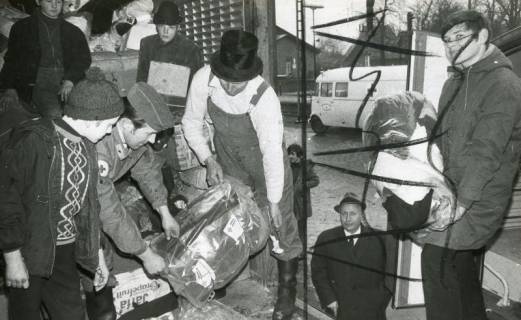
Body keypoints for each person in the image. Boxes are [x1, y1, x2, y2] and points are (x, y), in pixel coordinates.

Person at [182, 30, 302, 320]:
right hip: (229, 160)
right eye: (227, 81)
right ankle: (221, 278)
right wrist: (208, 159)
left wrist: (273, 200)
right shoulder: (204, 79)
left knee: (280, 225)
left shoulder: (265, 97)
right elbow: (190, 121)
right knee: (228, 220)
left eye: (238, 83)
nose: (231, 88)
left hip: (267, 165)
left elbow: (273, 152)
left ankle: (287, 290)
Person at [0, 67, 123, 320]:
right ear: (93, 118)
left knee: (72, 315)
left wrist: (96, 256)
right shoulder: (35, 141)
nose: (110, 132)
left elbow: (89, 208)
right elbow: (6, 200)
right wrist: (12, 257)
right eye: (109, 125)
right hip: (29, 250)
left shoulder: (86, 146)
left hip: (64, 252)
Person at [421, 10, 521, 320]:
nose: (451, 46)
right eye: (447, 41)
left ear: (482, 37)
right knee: (460, 264)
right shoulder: (454, 81)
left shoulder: (504, 84)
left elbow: (486, 151)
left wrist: (461, 204)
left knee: (436, 257)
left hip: (482, 193)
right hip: (455, 186)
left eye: (460, 38)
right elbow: (444, 138)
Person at [85, 82, 180, 320]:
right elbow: (108, 212)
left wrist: (165, 212)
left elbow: (147, 171)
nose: (152, 140)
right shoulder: (100, 148)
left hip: (92, 204)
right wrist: (145, 255)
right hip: (67, 212)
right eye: (149, 133)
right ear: (126, 123)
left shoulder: (132, 136)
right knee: (94, 269)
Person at [0, 0, 91, 118]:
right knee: (54, 114)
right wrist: (9, 88)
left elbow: (84, 58)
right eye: (49, 1)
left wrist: (70, 79)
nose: (54, 5)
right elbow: (12, 60)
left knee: (88, 109)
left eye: (58, 2)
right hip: (39, 82)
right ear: (38, 1)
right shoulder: (22, 28)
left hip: (68, 77)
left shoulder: (73, 31)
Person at [311, 194, 390, 320]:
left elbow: (390, 273)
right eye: (344, 214)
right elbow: (318, 272)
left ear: (361, 215)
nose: (348, 218)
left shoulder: (380, 239)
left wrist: (380, 300)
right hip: (341, 308)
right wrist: (329, 299)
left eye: (353, 214)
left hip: (372, 310)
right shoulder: (326, 238)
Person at [136, 0, 203, 107]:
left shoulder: (191, 49)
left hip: (181, 107)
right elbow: (141, 78)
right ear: (156, 26)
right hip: (153, 105)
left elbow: (197, 87)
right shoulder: (147, 44)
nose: (165, 31)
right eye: (162, 26)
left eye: (171, 27)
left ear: (178, 27)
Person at [287, 143, 320, 247]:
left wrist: (303, 185)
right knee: (291, 227)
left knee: (301, 229)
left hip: (302, 204)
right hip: (290, 203)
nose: (290, 156)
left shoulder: (306, 168)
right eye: (289, 154)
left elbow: (316, 180)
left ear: (300, 155)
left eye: (292, 154)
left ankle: (302, 250)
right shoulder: (287, 166)